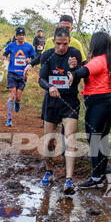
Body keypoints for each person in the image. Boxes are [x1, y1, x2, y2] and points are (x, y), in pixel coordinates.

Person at [68, 31, 111, 188]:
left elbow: (85, 71)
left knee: (94, 140)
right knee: (103, 139)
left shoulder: (99, 60)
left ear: (95, 45)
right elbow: (88, 70)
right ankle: (101, 175)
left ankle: (96, 178)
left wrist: (73, 74)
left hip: (99, 104)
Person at [39, 26, 83, 193]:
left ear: (69, 42)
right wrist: (49, 86)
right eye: (58, 43)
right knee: (49, 141)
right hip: (51, 102)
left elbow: (77, 78)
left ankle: (69, 180)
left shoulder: (75, 54)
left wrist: (74, 69)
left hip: (69, 102)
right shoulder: (47, 55)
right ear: (53, 41)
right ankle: (49, 172)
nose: (61, 47)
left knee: (70, 139)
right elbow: (41, 79)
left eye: (64, 44)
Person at [2, 27, 35, 126]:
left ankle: (17, 103)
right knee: (12, 96)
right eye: (19, 35)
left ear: (25, 36)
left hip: (22, 74)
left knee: (18, 97)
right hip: (12, 73)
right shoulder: (11, 45)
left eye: (22, 35)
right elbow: (5, 53)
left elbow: (34, 58)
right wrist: (4, 57)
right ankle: (9, 118)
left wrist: (30, 60)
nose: (21, 37)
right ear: (16, 36)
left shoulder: (29, 47)